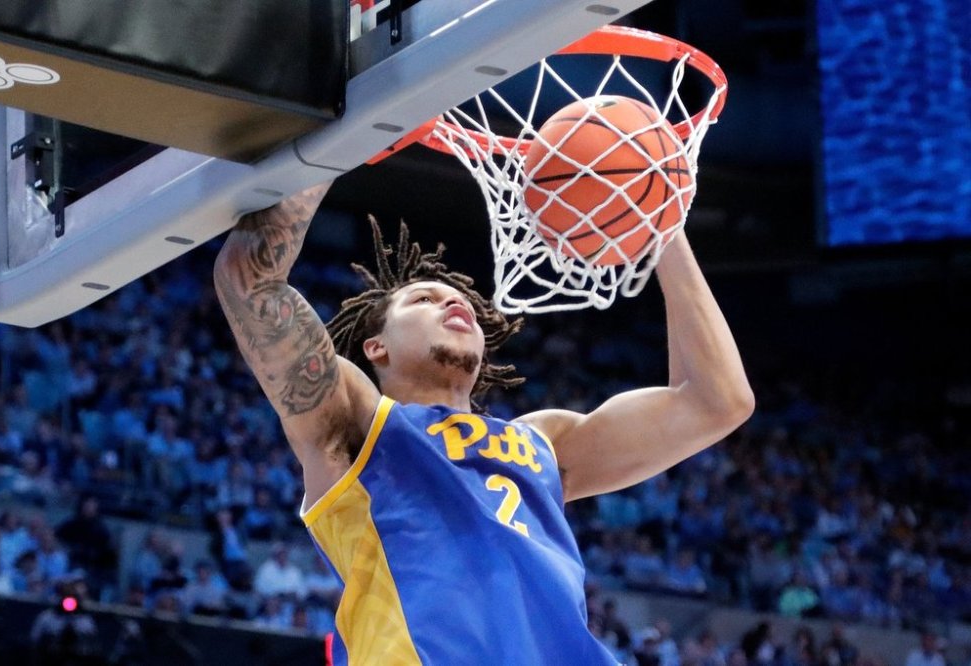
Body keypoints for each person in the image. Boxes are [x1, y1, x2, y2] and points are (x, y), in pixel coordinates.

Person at [213, 181, 754, 664]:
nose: (455, 304)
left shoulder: (544, 441)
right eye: (424, 299)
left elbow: (717, 401)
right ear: (375, 347)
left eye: (461, 301)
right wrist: (332, 146)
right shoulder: (356, 423)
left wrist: (664, 223)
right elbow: (250, 281)